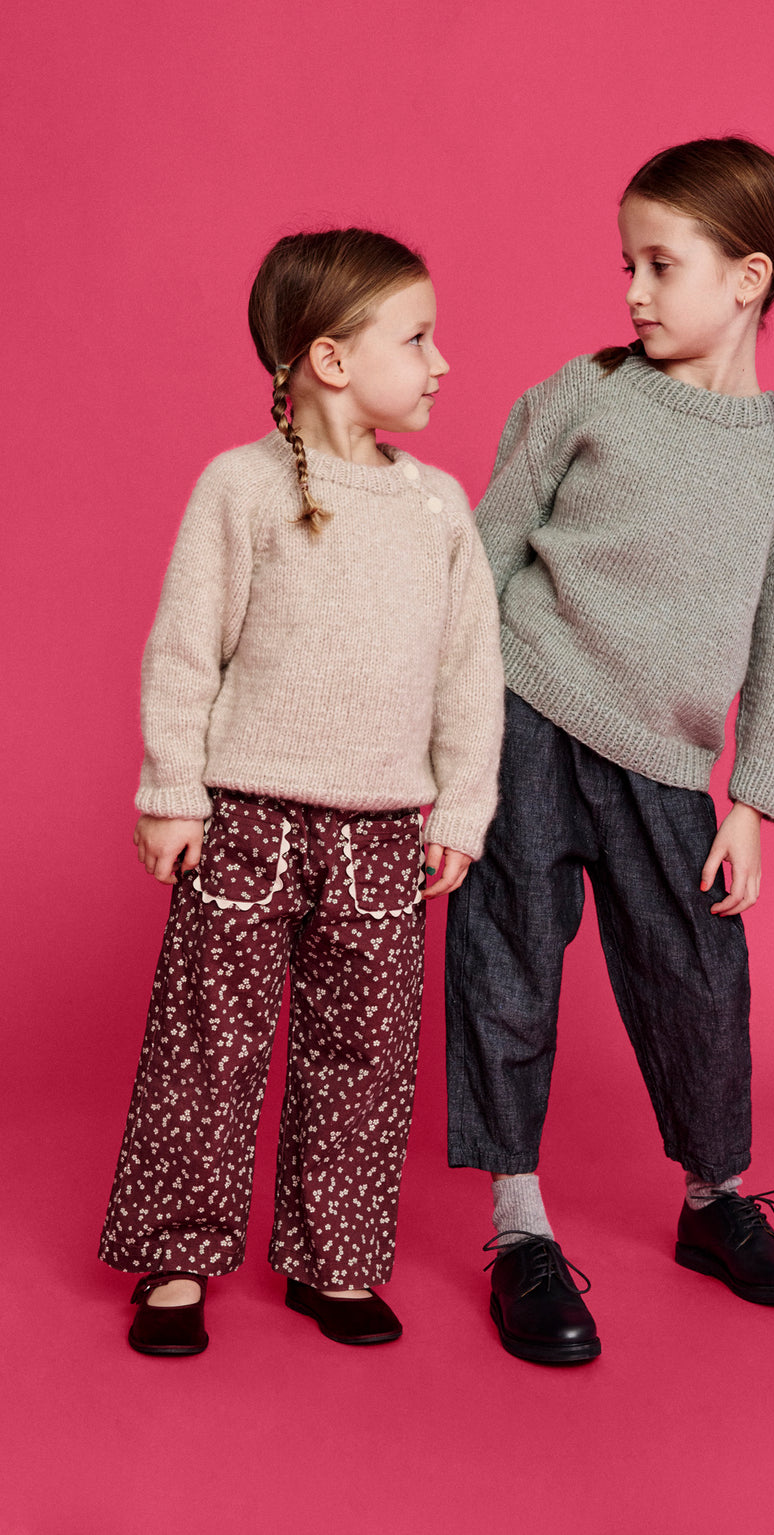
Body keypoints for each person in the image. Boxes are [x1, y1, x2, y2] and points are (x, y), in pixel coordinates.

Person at [445, 138, 774, 1364]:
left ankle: (712, 1200)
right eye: (625, 262)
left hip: (665, 763)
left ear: (747, 277)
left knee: (698, 976)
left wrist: (755, 803)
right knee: (506, 961)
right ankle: (520, 1228)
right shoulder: (585, 395)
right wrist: (451, 737)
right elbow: (480, 557)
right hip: (522, 710)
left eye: (659, 264)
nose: (631, 289)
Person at [99, 228, 504, 1356]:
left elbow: (470, 673)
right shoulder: (239, 488)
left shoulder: (439, 509)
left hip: (383, 835)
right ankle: (176, 1257)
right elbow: (186, 649)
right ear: (331, 358)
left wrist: (460, 809)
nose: (441, 361)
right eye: (416, 338)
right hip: (245, 823)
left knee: (364, 1056)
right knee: (207, 1045)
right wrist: (171, 789)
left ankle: (335, 1261)